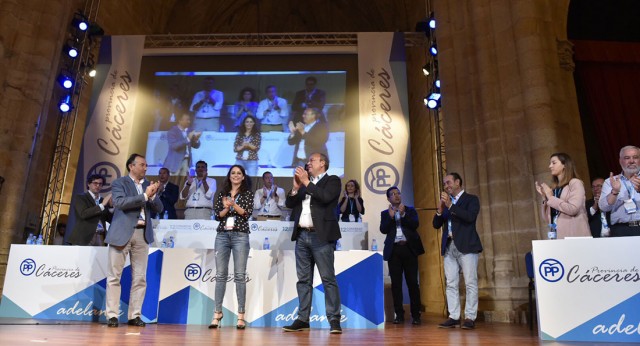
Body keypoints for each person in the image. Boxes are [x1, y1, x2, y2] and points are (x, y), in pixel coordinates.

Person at [282, 153, 343, 334]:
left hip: (321, 237)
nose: (308, 163)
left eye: (312, 161)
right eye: (308, 161)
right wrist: (295, 188)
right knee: (303, 280)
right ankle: (302, 318)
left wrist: (306, 182)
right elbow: (290, 203)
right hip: (302, 235)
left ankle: (334, 319)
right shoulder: (304, 183)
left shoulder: (332, 180)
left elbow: (325, 197)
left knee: (328, 279)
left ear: (322, 163)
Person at [105, 154, 164, 328]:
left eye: (146, 165)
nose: (146, 168)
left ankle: (134, 315)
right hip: (121, 233)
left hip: (142, 235)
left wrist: (152, 196)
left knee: (140, 278)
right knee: (114, 276)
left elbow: (159, 208)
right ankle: (112, 315)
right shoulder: (120, 183)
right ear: (131, 166)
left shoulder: (148, 185)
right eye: (143, 165)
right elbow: (120, 203)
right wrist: (145, 196)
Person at [433, 172, 482, 330]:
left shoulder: (471, 199)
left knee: (470, 282)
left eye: (448, 182)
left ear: (457, 182)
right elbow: (435, 224)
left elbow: (469, 217)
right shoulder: (447, 203)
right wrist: (440, 210)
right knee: (451, 283)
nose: (446, 186)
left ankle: (469, 317)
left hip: (467, 245)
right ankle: (454, 316)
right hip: (449, 246)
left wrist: (450, 206)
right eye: (445, 183)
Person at [209, 165, 253, 330]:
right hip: (222, 235)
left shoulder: (247, 193)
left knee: (240, 276)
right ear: (229, 176)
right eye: (233, 173)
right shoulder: (221, 194)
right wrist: (227, 207)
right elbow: (216, 216)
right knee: (220, 275)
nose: (235, 175)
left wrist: (233, 205)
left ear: (243, 177)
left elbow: (247, 213)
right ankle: (217, 313)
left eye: (239, 173)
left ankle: (241, 316)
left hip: (240, 235)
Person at [380, 186, 424, 325]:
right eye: (393, 194)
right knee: (396, 285)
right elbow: (383, 229)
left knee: (413, 283)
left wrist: (403, 215)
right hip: (394, 251)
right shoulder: (385, 213)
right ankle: (399, 314)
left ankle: (416, 315)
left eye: (398, 193)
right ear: (388, 198)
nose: (396, 196)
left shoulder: (410, 210)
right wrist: (392, 217)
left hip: (409, 249)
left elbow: (415, 224)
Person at [535, 153, 591, 239]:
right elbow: (547, 219)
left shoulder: (575, 183)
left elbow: (573, 209)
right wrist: (544, 197)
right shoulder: (554, 188)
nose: (550, 166)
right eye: (550, 163)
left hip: (574, 235)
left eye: (554, 163)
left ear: (564, 165)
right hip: (557, 236)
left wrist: (551, 197)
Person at [598, 145, 640, 237]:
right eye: (627, 158)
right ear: (620, 161)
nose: (632, 161)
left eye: (635, 157)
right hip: (621, 230)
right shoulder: (610, 181)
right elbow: (603, 207)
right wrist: (614, 192)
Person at [67, 174, 113, 246]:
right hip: (84, 236)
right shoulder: (81, 198)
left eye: (100, 184)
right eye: (95, 183)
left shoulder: (103, 200)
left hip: (100, 236)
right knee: (82, 257)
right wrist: (102, 205)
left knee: (100, 257)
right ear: (88, 184)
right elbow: (83, 214)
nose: (98, 186)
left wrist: (111, 207)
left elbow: (109, 220)